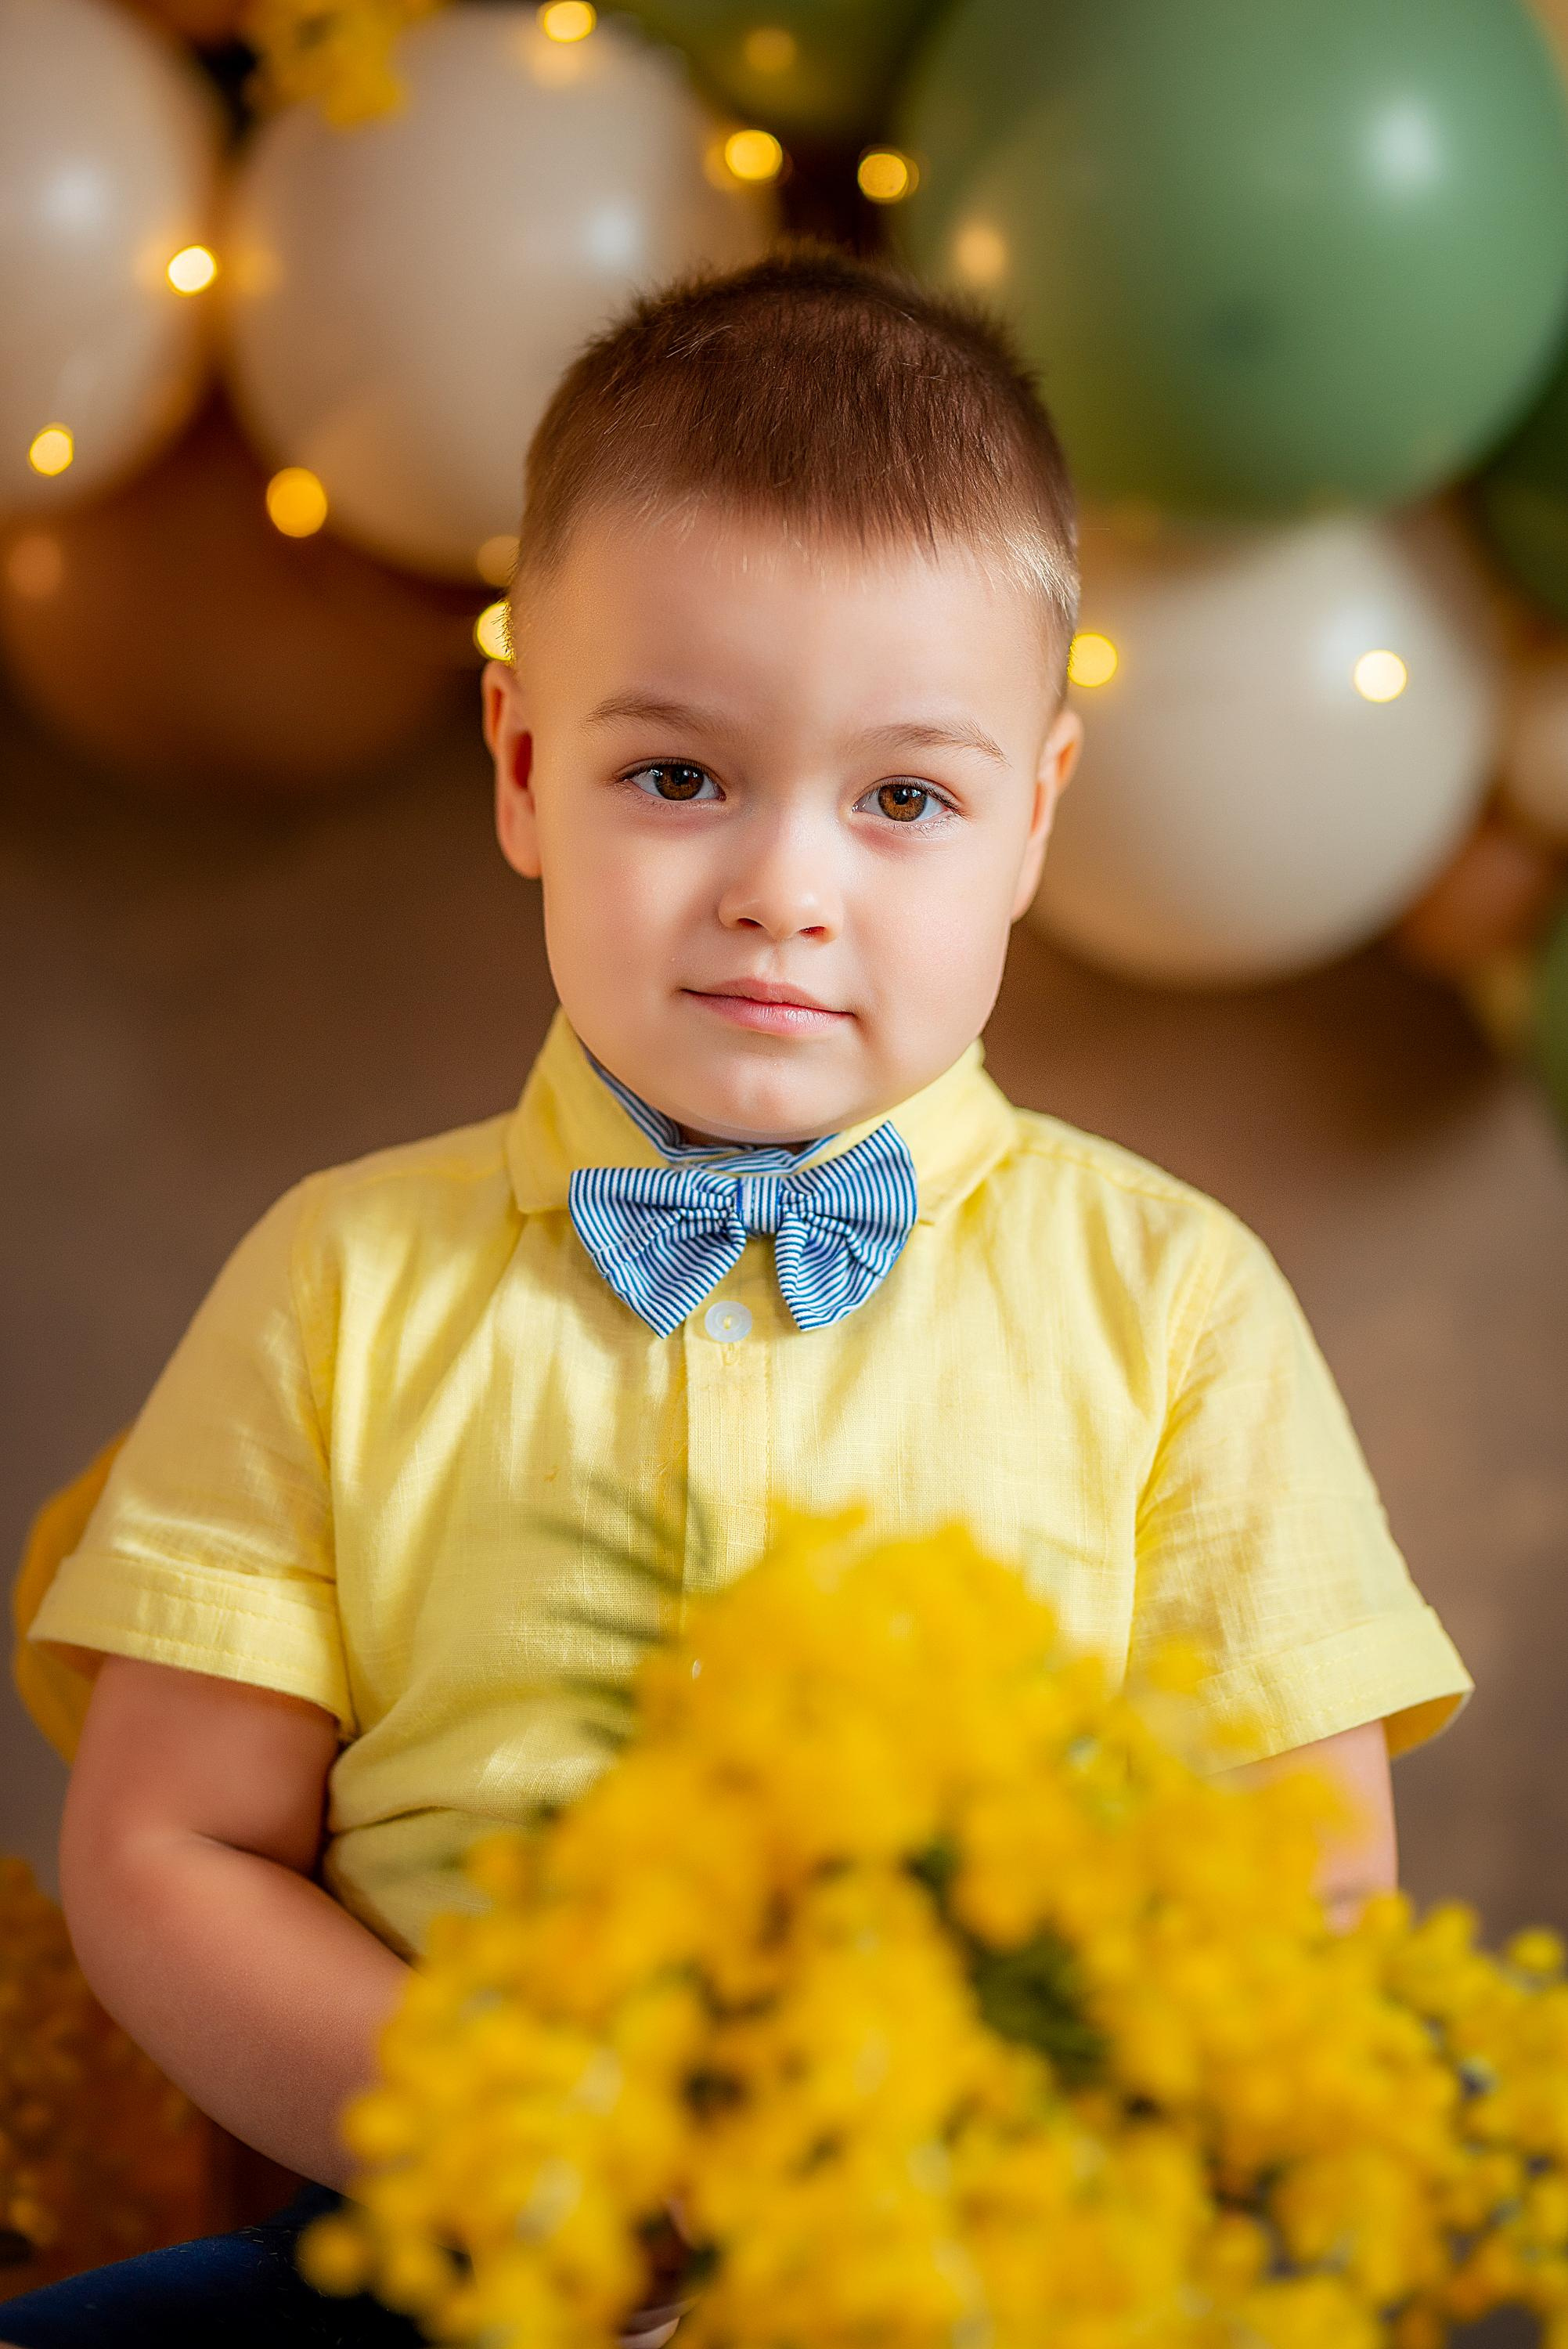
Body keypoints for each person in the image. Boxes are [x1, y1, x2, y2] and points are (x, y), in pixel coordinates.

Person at [3, 241, 1472, 2344]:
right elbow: (169, 1850)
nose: (786, 887)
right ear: (523, 767)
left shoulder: (1178, 1306)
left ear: (1031, 821)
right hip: (447, 2249)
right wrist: (519, 2151)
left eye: (904, 799)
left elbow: (1305, 1901)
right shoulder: (343, 1281)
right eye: (679, 776)